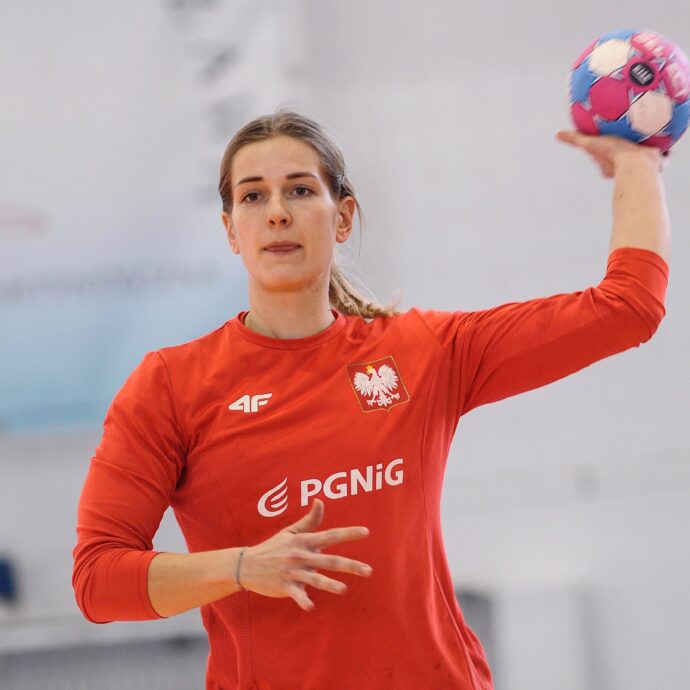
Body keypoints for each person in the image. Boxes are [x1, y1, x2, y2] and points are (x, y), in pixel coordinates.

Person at [72, 110, 670, 690]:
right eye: (253, 196)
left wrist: (638, 164)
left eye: (300, 190)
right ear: (231, 229)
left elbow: (627, 309)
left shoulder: (424, 352)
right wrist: (242, 567)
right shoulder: (171, 386)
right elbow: (98, 581)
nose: (277, 212)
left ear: (343, 218)